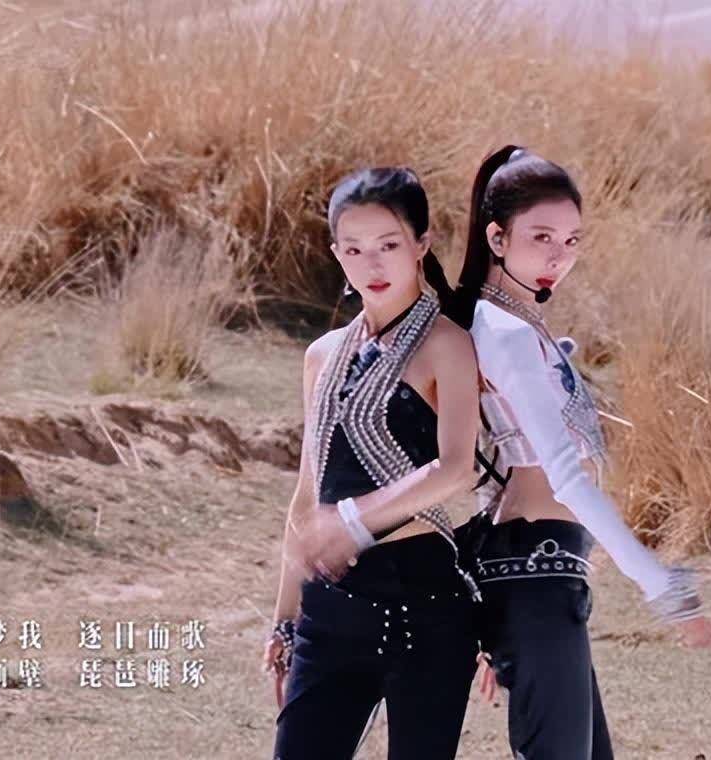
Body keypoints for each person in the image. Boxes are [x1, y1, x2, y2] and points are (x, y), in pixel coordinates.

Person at [421, 145, 711, 760]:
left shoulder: (517, 327)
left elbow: (498, 471)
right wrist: (661, 586)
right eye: (542, 238)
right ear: (497, 238)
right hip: (537, 574)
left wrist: (488, 605)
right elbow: (566, 477)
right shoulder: (503, 330)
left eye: (572, 240)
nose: (559, 256)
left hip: (539, 574)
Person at [265, 166, 483, 760]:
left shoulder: (447, 344)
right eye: (355, 249)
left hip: (427, 609)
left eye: (389, 245)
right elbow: (308, 491)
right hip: (331, 609)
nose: (372, 264)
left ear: (421, 244)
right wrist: (285, 617)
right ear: (337, 253)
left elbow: (457, 468)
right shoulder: (322, 355)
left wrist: (354, 522)